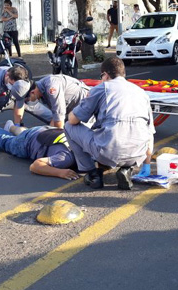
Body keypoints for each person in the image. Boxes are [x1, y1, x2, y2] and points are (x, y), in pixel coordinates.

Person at [65, 57, 154, 190]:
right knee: (128, 132)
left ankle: (93, 174)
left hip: (109, 152)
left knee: (68, 126)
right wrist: (147, 165)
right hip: (137, 155)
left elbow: (73, 120)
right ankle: (126, 170)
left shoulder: (102, 88)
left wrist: (71, 113)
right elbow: (150, 132)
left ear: (105, 75)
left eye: (101, 76)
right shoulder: (142, 93)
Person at [0, 123, 79, 180]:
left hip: (46, 131)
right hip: (29, 141)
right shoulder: (66, 158)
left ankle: (12, 127)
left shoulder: (82, 140)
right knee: (6, 141)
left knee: (21, 135)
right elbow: (35, 166)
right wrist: (60, 173)